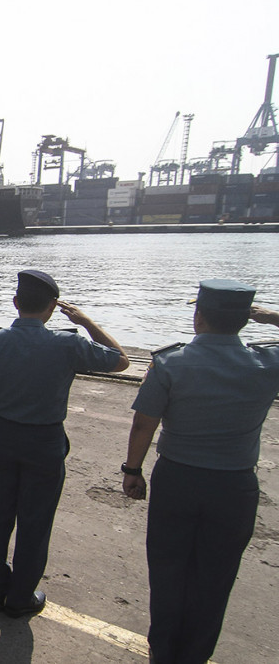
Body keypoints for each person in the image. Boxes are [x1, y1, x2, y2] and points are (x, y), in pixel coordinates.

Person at [121, 280, 279, 662]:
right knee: (216, 577)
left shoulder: (171, 362)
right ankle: (195, 655)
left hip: (177, 480)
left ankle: (163, 652)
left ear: (199, 316)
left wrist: (132, 470)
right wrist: (271, 317)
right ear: (246, 320)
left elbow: (143, 424)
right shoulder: (268, 363)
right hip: (234, 486)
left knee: (167, 570)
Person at [0, 270, 127, 615]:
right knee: (35, 521)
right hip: (44, 440)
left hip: (2, 435)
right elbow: (121, 360)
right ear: (52, 307)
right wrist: (86, 322)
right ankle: (21, 596)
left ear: (15, 302)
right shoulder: (68, 344)